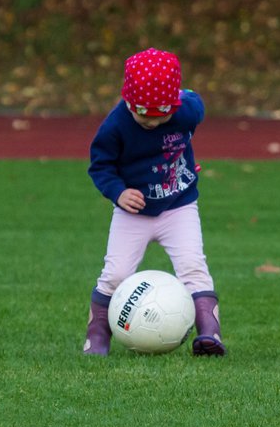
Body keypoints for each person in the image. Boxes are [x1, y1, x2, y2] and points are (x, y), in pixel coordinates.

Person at [83, 47, 226, 357]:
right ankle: (96, 338)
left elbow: (193, 100)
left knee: (193, 268)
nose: (151, 122)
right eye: (142, 116)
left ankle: (209, 334)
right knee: (116, 274)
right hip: (132, 214)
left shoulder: (187, 109)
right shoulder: (115, 126)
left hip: (180, 206)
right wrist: (118, 191)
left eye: (161, 117)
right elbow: (100, 166)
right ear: (129, 101)